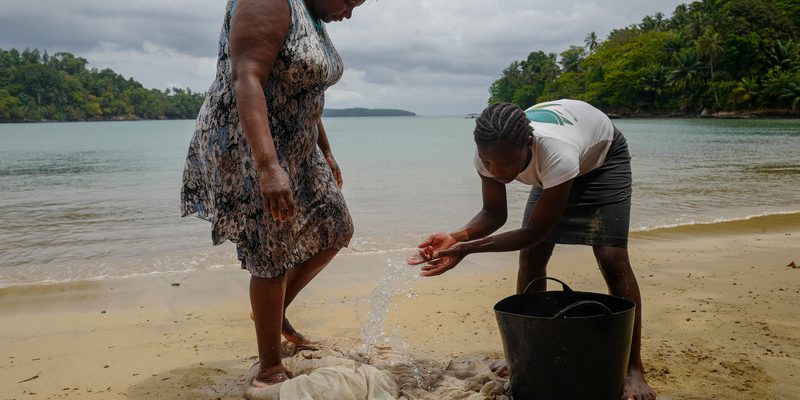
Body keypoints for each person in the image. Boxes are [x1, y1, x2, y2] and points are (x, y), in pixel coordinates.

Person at [408, 100, 656, 400]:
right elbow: (493, 214)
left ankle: (633, 368)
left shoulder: (556, 154)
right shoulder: (489, 153)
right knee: (532, 257)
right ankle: (523, 358)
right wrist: (456, 235)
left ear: (528, 143)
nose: (497, 172)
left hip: (602, 158)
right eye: (489, 164)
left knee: (611, 257)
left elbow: (537, 231)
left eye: (506, 164)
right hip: (557, 164)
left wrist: (466, 249)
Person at [180, 0, 365, 390]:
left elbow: (304, 91)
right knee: (271, 251)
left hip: (299, 145)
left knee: (335, 228)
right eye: (349, 1)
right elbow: (247, 77)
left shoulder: (310, 15)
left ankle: (273, 312)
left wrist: (326, 150)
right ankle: (269, 369)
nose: (349, 13)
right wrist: (267, 167)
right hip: (249, 148)